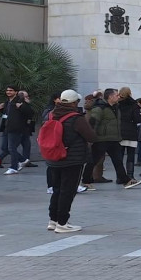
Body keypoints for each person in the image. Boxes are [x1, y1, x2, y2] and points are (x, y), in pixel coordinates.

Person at [46, 90, 96, 233]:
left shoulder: (51, 114)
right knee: (68, 191)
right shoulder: (76, 118)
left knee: (56, 190)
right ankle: (62, 222)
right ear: (75, 102)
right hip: (72, 159)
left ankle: (53, 220)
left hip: (54, 158)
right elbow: (91, 136)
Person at [83, 89, 141, 190]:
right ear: (110, 97)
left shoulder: (116, 107)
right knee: (93, 160)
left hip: (114, 139)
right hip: (101, 139)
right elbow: (93, 122)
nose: (119, 97)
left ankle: (126, 181)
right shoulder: (100, 108)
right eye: (116, 95)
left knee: (118, 160)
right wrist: (91, 138)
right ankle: (85, 181)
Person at [0, 85, 36, 175]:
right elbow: (7, 113)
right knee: (5, 147)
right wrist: (0, 108)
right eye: (7, 90)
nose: (8, 92)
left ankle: (14, 167)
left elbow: (30, 112)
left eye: (11, 90)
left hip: (16, 128)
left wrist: (21, 107)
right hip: (6, 127)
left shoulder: (20, 102)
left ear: (16, 92)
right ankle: (23, 160)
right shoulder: (8, 102)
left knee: (11, 148)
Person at [117, 87, 141, 172]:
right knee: (130, 155)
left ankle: (120, 176)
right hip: (131, 132)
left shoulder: (117, 104)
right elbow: (137, 119)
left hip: (120, 132)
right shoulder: (134, 105)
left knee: (119, 156)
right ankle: (130, 175)